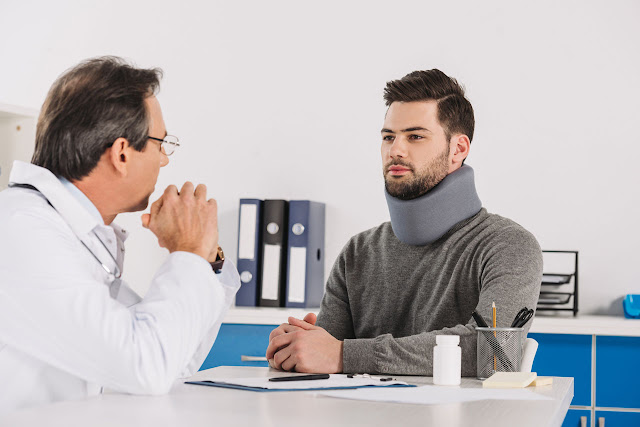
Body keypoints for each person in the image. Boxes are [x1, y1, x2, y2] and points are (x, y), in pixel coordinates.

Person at [0, 57, 240, 414]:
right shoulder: (22, 229)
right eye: (161, 143)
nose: (164, 160)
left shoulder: (75, 234)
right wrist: (188, 251)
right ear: (122, 154)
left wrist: (205, 258)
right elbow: (147, 367)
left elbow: (175, 360)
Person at [266, 69, 542, 376]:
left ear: (458, 149)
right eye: (388, 137)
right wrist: (295, 348)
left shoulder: (508, 246)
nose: (395, 150)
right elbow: (324, 356)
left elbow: (494, 353)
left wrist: (346, 354)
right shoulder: (358, 252)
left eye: (415, 136)